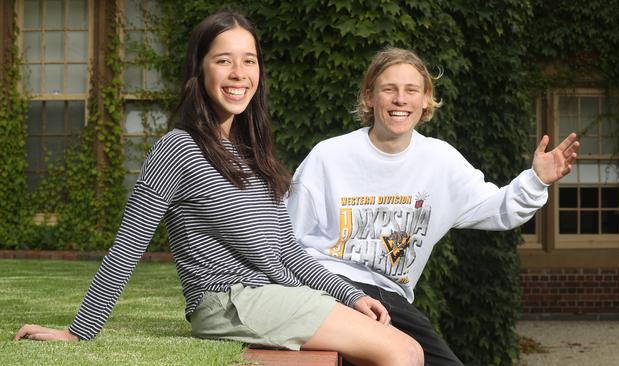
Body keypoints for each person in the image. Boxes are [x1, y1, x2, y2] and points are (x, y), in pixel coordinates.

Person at [14, 14, 425, 366]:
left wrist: (350, 296)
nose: (238, 74)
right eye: (223, 60)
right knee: (403, 354)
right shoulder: (178, 147)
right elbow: (129, 245)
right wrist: (79, 331)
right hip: (228, 302)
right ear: (201, 69)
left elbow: (288, 250)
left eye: (249, 61)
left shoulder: (253, 153)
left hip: (273, 294)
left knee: (403, 348)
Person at [286, 47, 580, 366]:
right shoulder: (328, 156)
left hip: (391, 298)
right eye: (389, 89)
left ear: (426, 100)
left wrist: (537, 180)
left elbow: (499, 209)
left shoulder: (440, 161)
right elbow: (287, 235)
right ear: (369, 97)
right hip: (327, 284)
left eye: (412, 90)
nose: (401, 99)